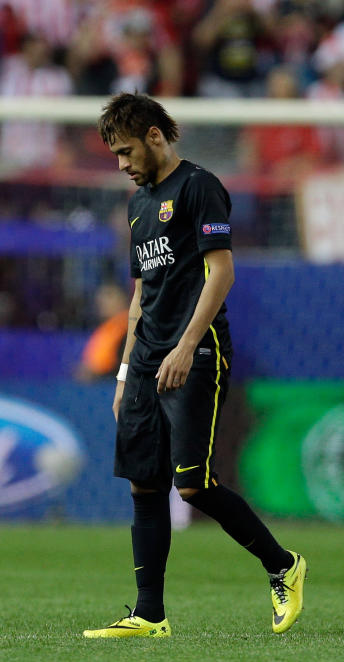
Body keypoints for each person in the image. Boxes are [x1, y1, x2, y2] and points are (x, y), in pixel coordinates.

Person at [82, 93, 306, 640]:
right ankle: (148, 614)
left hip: (197, 350)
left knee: (193, 485)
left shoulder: (199, 186)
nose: (122, 164)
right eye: (115, 155)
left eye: (127, 151)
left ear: (156, 136)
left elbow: (221, 273)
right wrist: (123, 371)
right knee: (144, 485)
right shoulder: (138, 206)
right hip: (145, 359)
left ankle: (283, 565)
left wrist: (186, 346)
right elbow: (141, 294)